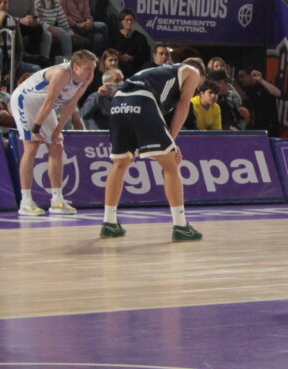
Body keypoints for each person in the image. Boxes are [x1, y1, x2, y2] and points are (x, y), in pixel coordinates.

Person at [100, 58, 207, 242]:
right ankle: (181, 226)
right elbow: (183, 105)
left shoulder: (160, 74)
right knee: (171, 165)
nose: (196, 87)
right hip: (142, 100)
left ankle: (109, 223)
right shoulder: (192, 71)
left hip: (118, 103)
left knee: (120, 164)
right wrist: (172, 141)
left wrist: (169, 143)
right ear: (201, 74)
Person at [11, 50, 97, 216]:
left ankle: (57, 200)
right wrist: (36, 129)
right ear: (76, 67)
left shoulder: (86, 78)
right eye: (88, 69)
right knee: (32, 146)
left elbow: (70, 105)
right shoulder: (62, 73)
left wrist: (58, 131)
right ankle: (25, 201)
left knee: (57, 146)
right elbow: (50, 101)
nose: (91, 73)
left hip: (44, 105)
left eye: (93, 69)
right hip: (26, 99)